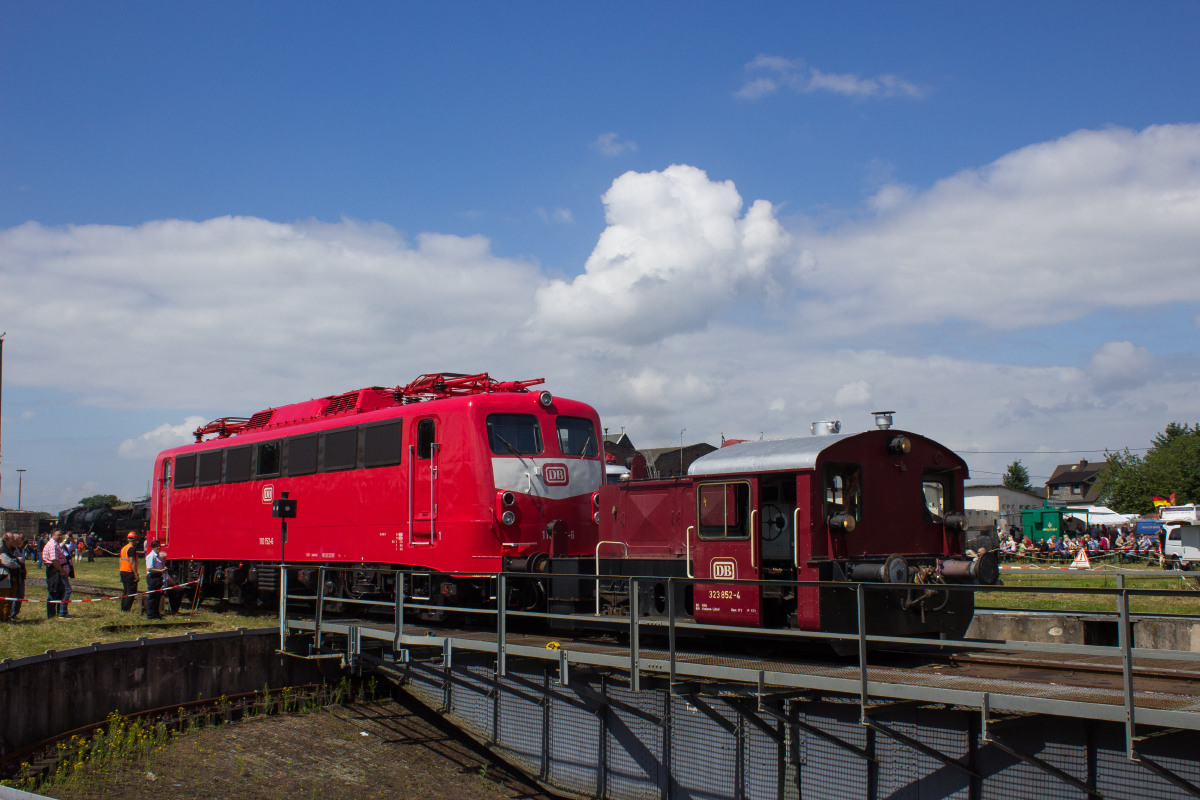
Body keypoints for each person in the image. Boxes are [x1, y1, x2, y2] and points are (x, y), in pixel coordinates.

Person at [42, 529, 72, 620]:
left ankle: (59, 612)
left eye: (61, 535)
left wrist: (66, 539)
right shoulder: (53, 545)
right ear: (52, 535)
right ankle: (59, 613)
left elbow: (61, 545)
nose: (60, 536)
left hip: (57, 570)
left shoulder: (55, 544)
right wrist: (61, 570)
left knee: (59, 591)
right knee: (59, 590)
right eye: (58, 535)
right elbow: (54, 560)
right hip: (55, 571)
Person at [144, 540, 166, 620]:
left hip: (158, 577)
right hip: (153, 577)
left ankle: (156, 613)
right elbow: (149, 568)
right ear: (153, 547)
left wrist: (163, 569)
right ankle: (151, 614)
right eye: (156, 546)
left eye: (159, 546)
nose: (158, 548)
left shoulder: (158, 556)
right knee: (153, 596)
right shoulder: (151, 556)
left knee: (157, 596)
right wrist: (160, 571)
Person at [119, 533, 140, 612]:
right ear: (135, 540)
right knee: (131, 591)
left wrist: (120, 570)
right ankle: (127, 609)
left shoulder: (124, 548)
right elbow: (132, 562)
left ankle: (123, 608)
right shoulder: (132, 549)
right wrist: (136, 573)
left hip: (123, 571)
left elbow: (120, 560)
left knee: (125, 591)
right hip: (129, 572)